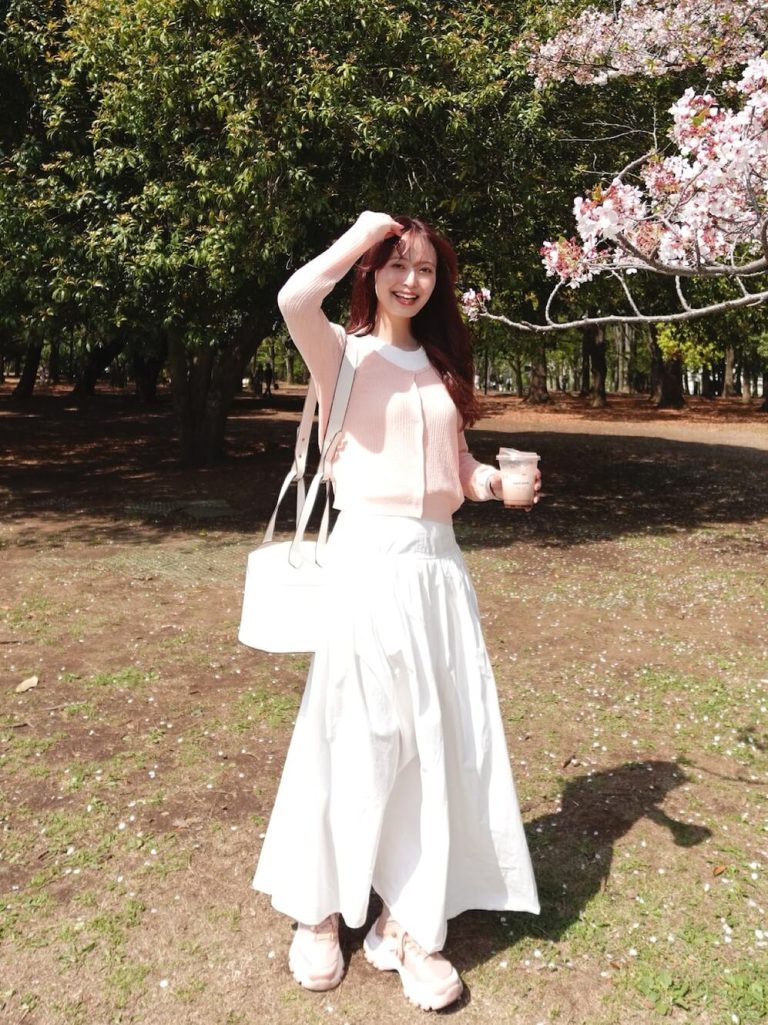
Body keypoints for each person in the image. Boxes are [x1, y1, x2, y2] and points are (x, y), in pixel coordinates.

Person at [252, 211, 540, 1010]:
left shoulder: (442, 362)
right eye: (397, 265)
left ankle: (410, 923)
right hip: (367, 562)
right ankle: (318, 908)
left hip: (438, 567)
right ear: (373, 272)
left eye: (425, 269)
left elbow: (457, 463)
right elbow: (293, 297)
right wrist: (362, 232)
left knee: (432, 743)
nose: (412, 280)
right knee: (356, 732)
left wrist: (493, 484)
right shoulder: (341, 354)